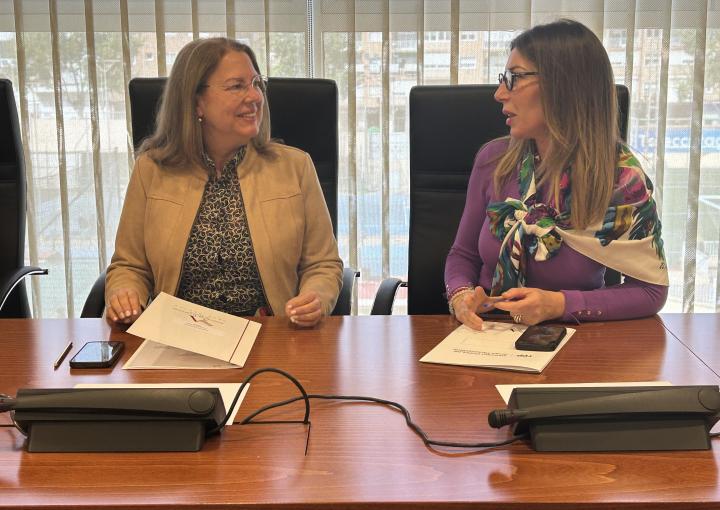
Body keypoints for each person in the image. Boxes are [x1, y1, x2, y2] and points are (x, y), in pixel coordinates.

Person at [444, 19, 668, 330]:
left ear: (563, 85)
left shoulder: (621, 180)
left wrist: (560, 304)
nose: (499, 93)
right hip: (486, 333)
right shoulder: (494, 161)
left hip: (574, 338)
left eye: (514, 78)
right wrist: (460, 294)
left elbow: (651, 290)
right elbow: (462, 254)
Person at [106, 37, 343, 327]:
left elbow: (322, 264)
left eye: (256, 84)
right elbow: (129, 266)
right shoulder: (151, 170)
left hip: (270, 334)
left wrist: (315, 297)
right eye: (236, 86)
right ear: (196, 102)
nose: (255, 97)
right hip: (179, 335)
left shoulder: (295, 167)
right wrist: (125, 294)